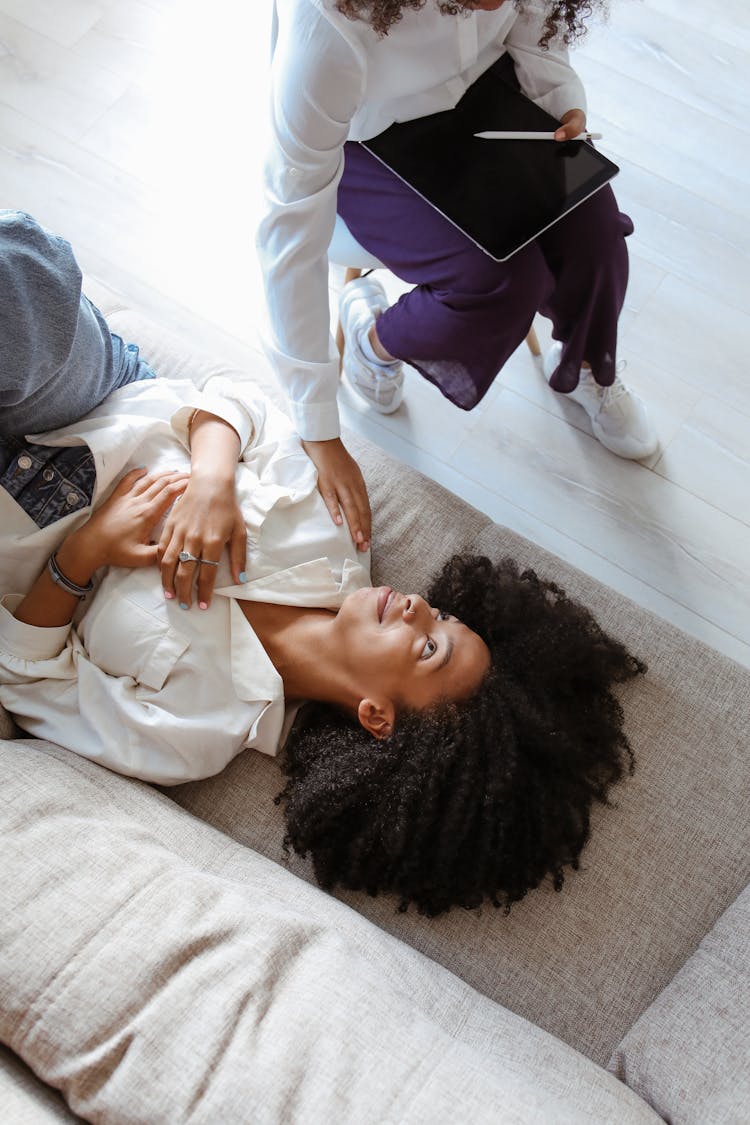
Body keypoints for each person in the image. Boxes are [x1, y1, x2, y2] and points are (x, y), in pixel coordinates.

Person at [0, 209, 644, 915]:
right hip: (96, 397)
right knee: (22, 289)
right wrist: (214, 478)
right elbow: (232, 398)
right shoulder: (343, 531)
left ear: (376, 716)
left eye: (428, 645)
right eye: (446, 613)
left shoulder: (198, 732)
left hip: (21, 524)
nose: (420, 605)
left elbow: (32, 683)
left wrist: (80, 557)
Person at [257, 0, 660, 559]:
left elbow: (537, 41)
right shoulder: (327, 33)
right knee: (498, 282)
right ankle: (375, 343)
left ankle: (589, 366)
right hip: (371, 141)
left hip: (487, 97)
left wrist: (563, 107)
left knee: (596, 238)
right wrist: (317, 425)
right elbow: (289, 228)